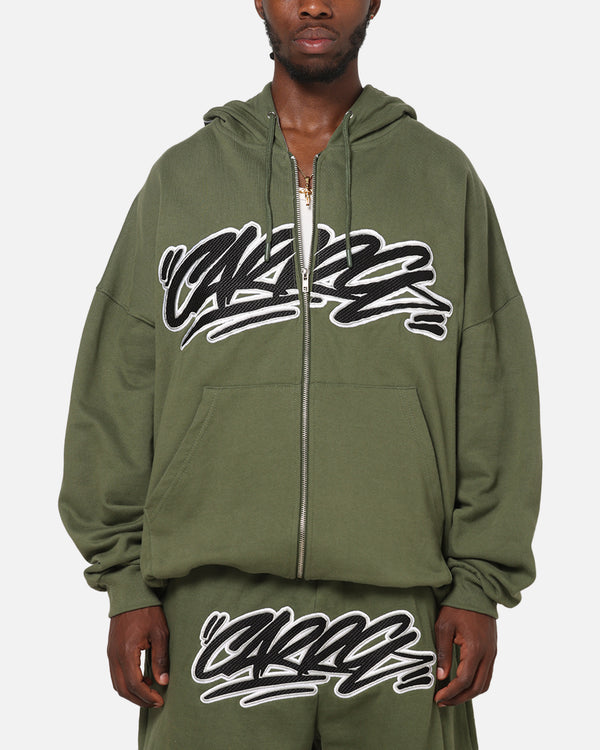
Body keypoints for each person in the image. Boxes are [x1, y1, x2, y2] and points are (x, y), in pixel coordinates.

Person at [58, 1, 542, 748]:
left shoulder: (443, 179)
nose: (315, 3)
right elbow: (116, 388)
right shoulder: (182, 179)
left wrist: (479, 584)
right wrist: (125, 584)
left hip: (401, 614)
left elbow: (495, 390)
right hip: (211, 616)